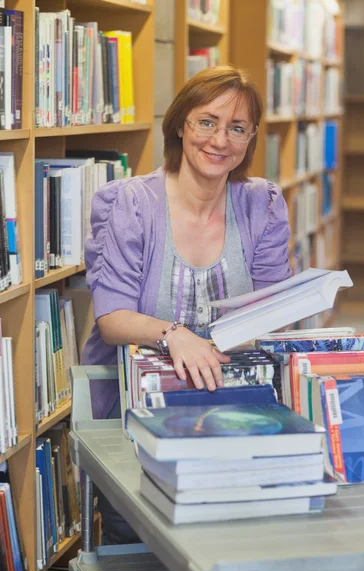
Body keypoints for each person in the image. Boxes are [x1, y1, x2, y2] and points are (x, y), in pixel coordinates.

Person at [81, 65, 291, 544]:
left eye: (237, 128)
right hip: (137, 418)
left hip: (236, 409)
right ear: (180, 124)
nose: (221, 140)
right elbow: (112, 320)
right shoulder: (130, 203)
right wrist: (176, 335)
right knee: (143, 550)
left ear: (251, 137)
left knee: (237, 547)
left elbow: (274, 309)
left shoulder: (263, 205)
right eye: (207, 122)